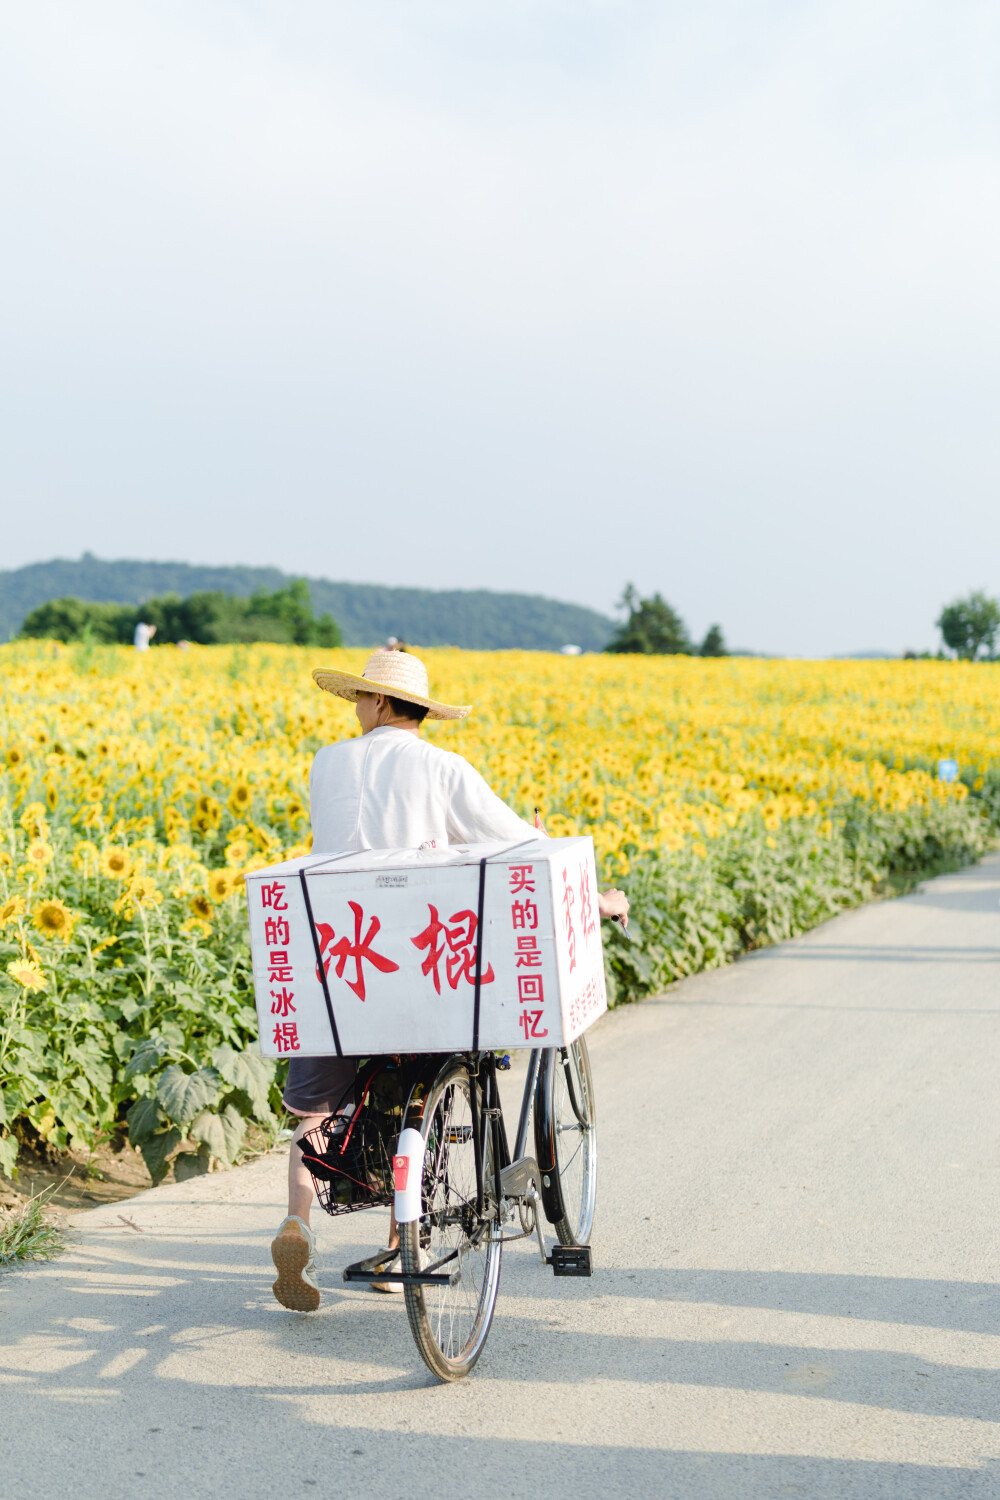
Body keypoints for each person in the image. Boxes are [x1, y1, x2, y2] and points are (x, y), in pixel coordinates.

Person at [270, 648, 629, 1312]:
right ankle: (399, 1244)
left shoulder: (328, 763)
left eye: (358, 699)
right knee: (428, 1091)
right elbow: (521, 846)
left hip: (338, 962)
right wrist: (599, 898)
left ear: (376, 702)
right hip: (417, 974)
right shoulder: (442, 767)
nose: (353, 711)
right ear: (417, 710)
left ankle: (297, 1223)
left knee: (315, 1110)